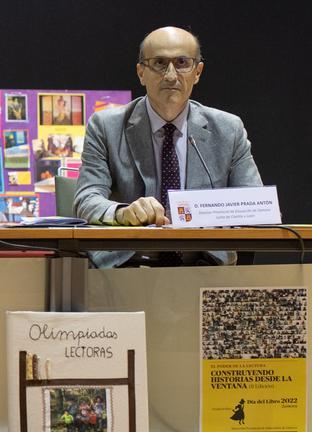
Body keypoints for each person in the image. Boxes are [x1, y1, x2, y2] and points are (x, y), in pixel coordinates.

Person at [74, 27, 263, 268]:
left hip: (205, 268)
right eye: (160, 63)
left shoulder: (228, 129)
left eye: (182, 63)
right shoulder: (106, 127)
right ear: (141, 73)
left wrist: (215, 211)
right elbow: (86, 199)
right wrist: (122, 213)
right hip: (127, 268)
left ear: (197, 72)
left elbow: (254, 205)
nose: (171, 75)